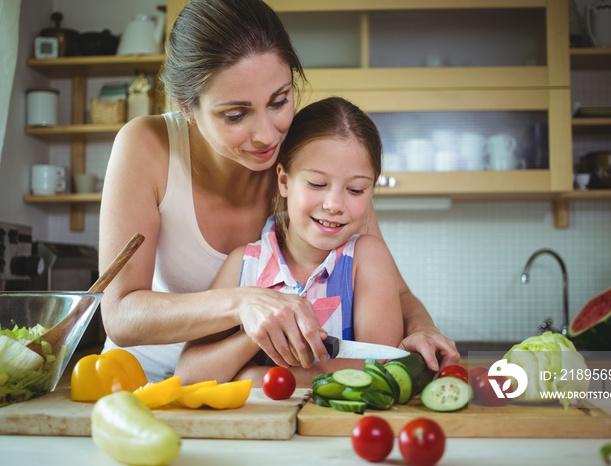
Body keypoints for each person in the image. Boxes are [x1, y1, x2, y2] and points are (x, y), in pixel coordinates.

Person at [98, 0, 459, 383]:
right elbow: (120, 313)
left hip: (252, 391)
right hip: (139, 380)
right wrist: (245, 302)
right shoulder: (147, 146)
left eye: (279, 101)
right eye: (235, 115)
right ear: (187, 106)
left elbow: (396, 292)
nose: (268, 136)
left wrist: (422, 328)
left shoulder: (312, 168)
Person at [176, 97, 404, 386]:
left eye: (356, 189)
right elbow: (188, 375)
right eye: (317, 184)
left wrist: (250, 376)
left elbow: (378, 370)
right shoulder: (244, 264)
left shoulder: (367, 259)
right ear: (284, 181)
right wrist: (254, 335)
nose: (334, 204)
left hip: (337, 429)